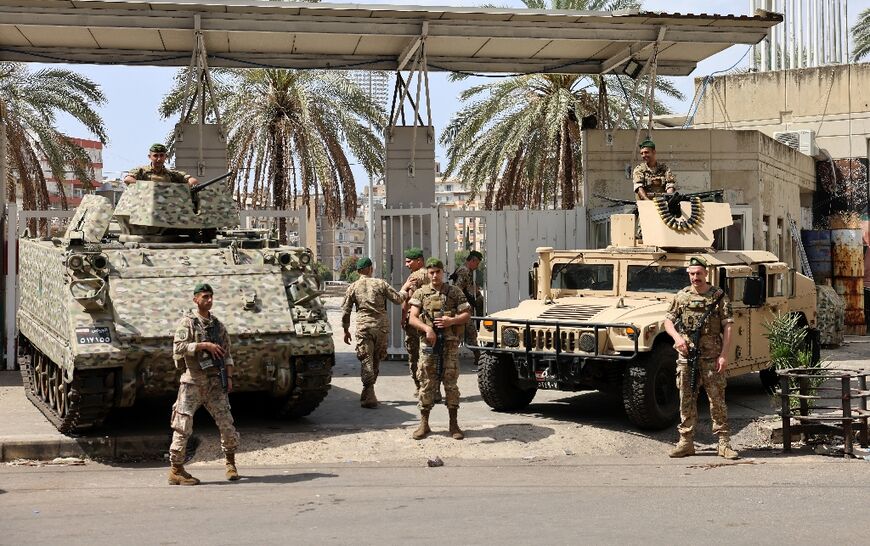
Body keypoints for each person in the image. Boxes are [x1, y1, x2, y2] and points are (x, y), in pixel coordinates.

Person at [663, 257, 739, 460]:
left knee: (717, 401)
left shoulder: (718, 296)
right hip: (687, 357)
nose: (695, 277)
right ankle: (686, 442)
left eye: (698, 273)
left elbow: (728, 326)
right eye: (691, 273)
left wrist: (724, 355)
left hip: (712, 356)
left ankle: (723, 443)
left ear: (706, 273)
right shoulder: (681, 297)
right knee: (686, 399)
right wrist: (678, 338)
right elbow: (668, 322)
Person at [169, 282, 240, 485]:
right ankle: (176, 470)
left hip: (215, 382)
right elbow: (179, 347)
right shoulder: (188, 323)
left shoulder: (218, 326)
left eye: (210, 296)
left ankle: (230, 463)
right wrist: (203, 345)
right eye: (204, 297)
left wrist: (230, 377)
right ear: (195, 299)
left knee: (227, 424)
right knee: (182, 427)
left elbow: (227, 355)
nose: (208, 300)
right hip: (192, 381)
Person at [408, 258, 471, 440]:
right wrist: (427, 329)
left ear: (443, 272)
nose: (435, 275)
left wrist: (451, 321)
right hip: (429, 345)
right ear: (427, 273)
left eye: (437, 272)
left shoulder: (454, 292)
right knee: (427, 382)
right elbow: (412, 318)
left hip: (450, 345)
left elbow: (466, 314)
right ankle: (424, 424)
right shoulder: (420, 293)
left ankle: (453, 424)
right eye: (431, 272)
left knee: (450, 383)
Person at [341, 257, 405, 408]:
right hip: (380, 328)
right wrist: (406, 288)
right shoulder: (380, 283)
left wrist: (345, 330)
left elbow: (346, 311)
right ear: (370, 269)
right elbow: (398, 299)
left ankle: (368, 391)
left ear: (358, 271)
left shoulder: (353, 287)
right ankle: (369, 390)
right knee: (375, 360)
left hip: (364, 328)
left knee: (366, 360)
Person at [399, 247, 429, 398]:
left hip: (415, 321)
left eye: (409, 261)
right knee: (430, 356)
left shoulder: (415, 277)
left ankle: (420, 387)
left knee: (414, 355)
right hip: (429, 322)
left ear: (419, 261)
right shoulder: (432, 274)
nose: (406, 264)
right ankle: (432, 389)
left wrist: (403, 316)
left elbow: (407, 299)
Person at [450, 250, 484, 368]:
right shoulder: (464, 271)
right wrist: (466, 302)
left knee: (468, 331)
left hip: (462, 306)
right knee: (468, 331)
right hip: (461, 307)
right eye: (477, 263)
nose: (477, 266)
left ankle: (477, 355)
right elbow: (458, 288)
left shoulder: (465, 270)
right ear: (473, 260)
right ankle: (477, 355)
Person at [124, 143, 199, 186]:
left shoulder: (172, 174)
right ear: (149, 157)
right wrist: (149, 186)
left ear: (165, 157)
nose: (159, 159)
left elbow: (193, 181)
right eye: (155, 156)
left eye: (161, 155)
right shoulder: (141, 171)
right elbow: (128, 179)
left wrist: (181, 188)